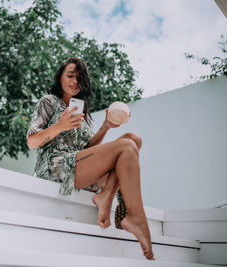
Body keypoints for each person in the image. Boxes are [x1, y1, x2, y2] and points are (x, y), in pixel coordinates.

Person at [26, 57, 155, 260]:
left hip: (78, 166)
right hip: (56, 169)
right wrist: (60, 126)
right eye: (70, 75)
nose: (75, 81)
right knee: (127, 146)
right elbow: (32, 142)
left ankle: (107, 195)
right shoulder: (48, 102)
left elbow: (88, 151)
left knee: (133, 139)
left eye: (79, 78)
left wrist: (105, 126)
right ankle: (136, 217)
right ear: (59, 77)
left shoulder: (82, 113)